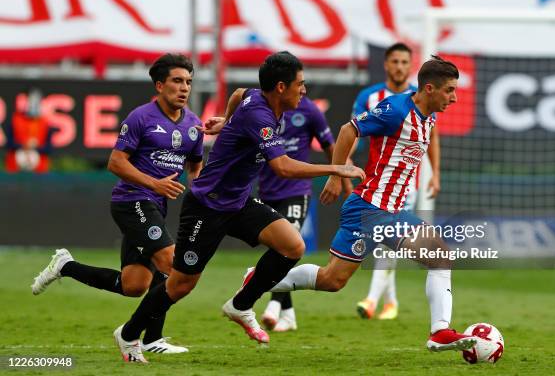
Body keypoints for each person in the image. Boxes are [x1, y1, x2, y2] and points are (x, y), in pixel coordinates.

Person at [112, 51, 365, 362]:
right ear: (282, 87)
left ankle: (241, 304)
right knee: (180, 285)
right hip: (207, 206)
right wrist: (336, 169)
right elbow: (283, 167)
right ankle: (127, 335)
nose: (305, 90)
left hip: (238, 201)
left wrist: (227, 121)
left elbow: (238, 93)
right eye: (301, 84)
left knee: (292, 245)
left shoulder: (260, 97)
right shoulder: (260, 116)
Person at [257, 56, 478, 353]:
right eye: (450, 90)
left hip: (392, 212)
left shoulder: (430, 117)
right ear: (429, 88)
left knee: (335, 279)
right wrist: (336, 174)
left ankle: (439, 331)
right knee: (337, 279)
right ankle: (439, 331)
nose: (453, 98)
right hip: (369, 208)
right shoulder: (396, 109)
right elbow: (349, 131)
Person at [31, 53, 203, 355]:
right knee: (171, 263)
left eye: (188, 81)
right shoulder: (141, 118)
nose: (184, 87)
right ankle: (145, 338)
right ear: (160, 85)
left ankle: (66, 266)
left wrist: (199, 191)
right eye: (177, 81)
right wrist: (154, 183)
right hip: (132, 200)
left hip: (156, 205)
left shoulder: (193, 125)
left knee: (133, 285)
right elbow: (115, 162)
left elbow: (195, 165)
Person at [352, 42, 441, 321]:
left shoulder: (423, 99)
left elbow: (432, 136)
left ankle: (371, 299)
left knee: (385, 241)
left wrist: (435, 172)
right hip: (376, 182)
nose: (400, 67)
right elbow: (352, 130)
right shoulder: (370, 97)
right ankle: (390, 302)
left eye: (405, 62)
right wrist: (343, 164)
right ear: (387, 64)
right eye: (395, 62)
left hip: (408, 185)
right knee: (384, 242)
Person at [254, 93, 353, 332]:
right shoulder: (264, 111)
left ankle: (274, 306)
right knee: (277, 251)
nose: (301, 90)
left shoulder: (310, 111)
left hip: (298, 190)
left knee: (285, 249)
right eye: (297, 84)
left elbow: (331, 145)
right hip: (268, 190)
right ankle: (288, 315)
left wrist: (339, 179)